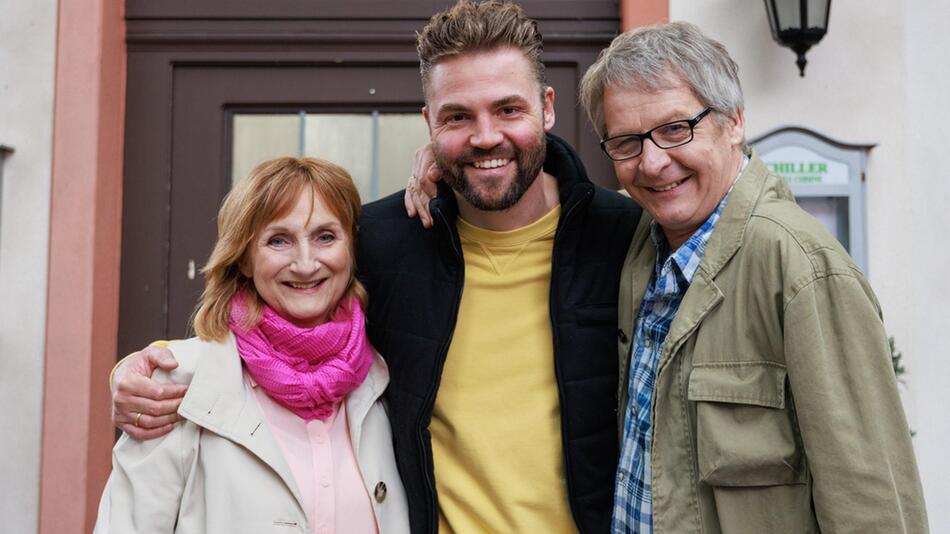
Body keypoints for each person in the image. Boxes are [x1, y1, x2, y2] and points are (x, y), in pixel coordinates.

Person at [109, 2, 642, 533]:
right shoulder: (384, 241)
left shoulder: (625, 237)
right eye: (457, 116)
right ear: (429, 123)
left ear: (546, 108)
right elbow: (279, 315)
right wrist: (140, 375)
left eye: (508, 109)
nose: (485, 136)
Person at [577, 22, 928, 533]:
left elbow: (872, 505)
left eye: (676, 128)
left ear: (734, 121)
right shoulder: (641, 248)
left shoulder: (802, 269)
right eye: (627, 142)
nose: (652, 163)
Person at [95, 157, 410, 533]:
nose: (306, 263)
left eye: (325, 237)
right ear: (243, 258)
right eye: (279, 240)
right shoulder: (178, 383)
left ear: (352, 250)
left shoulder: (383, 374)